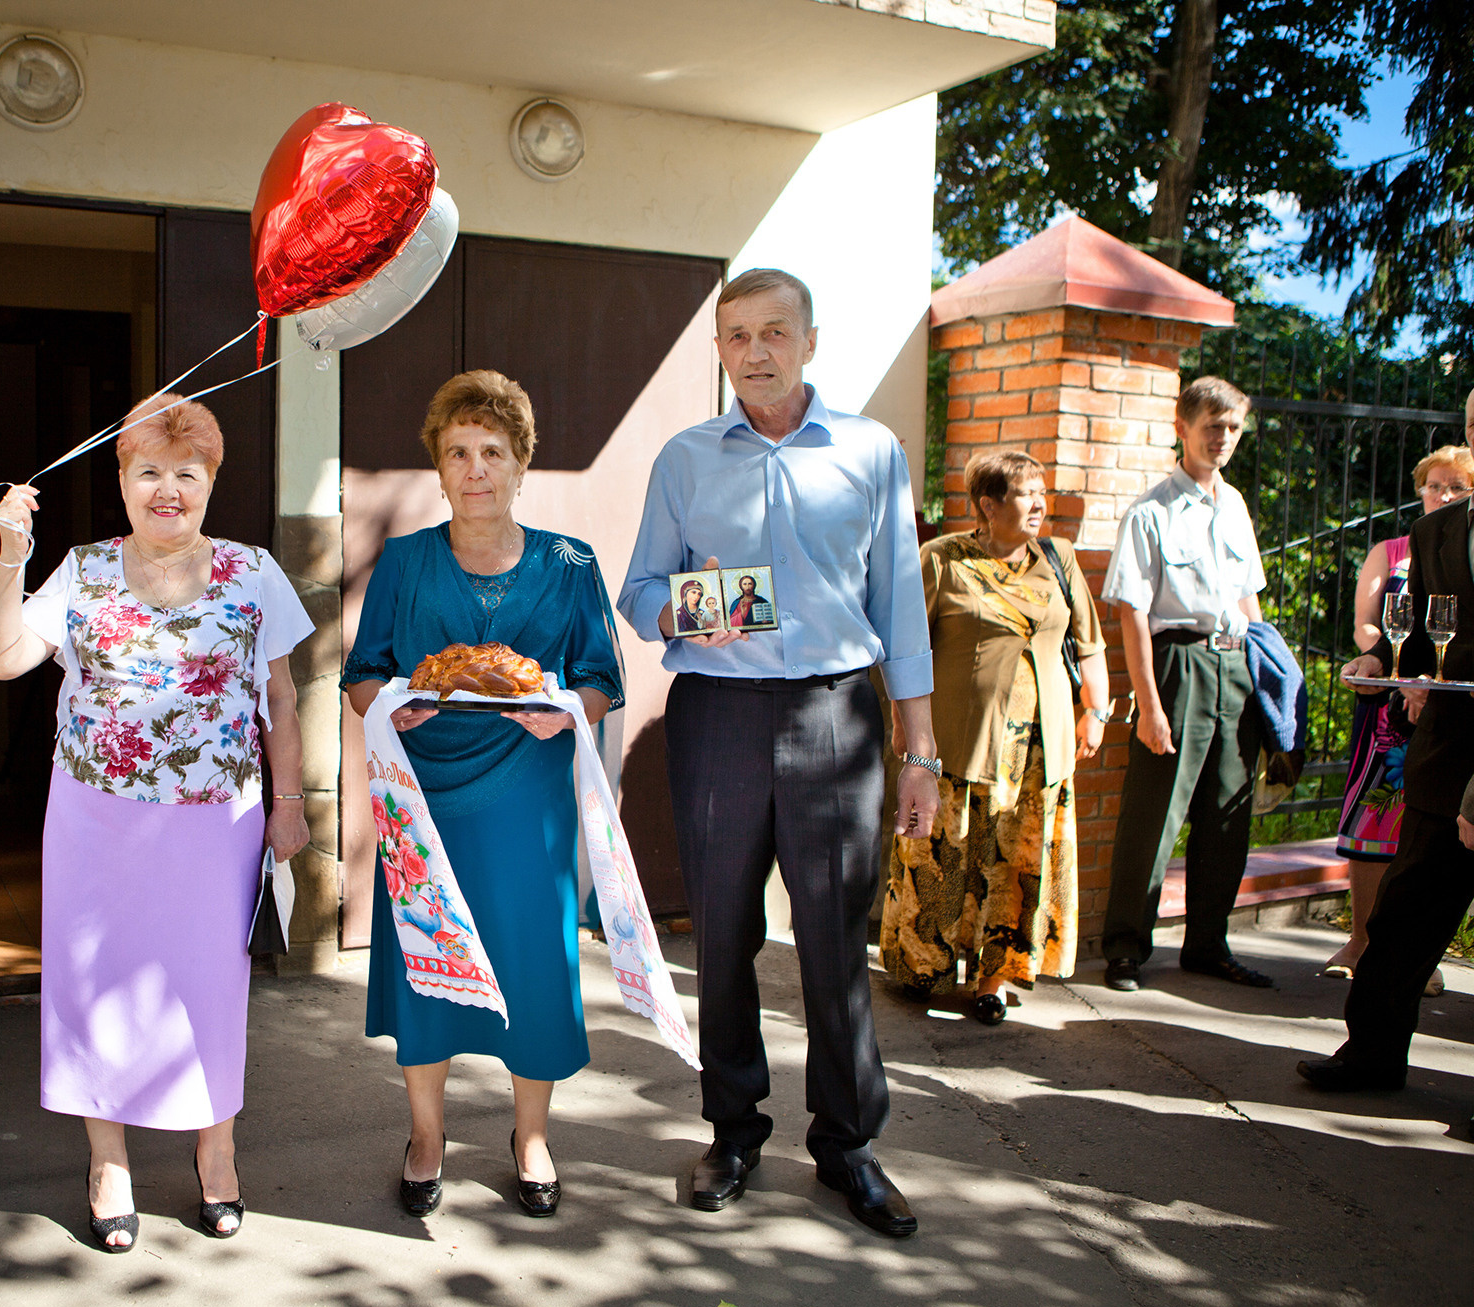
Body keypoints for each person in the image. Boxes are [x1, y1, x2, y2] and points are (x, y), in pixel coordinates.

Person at [618, 268, 937, 1239]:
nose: (752, 351)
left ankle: (847, 1145)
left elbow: (901, 612)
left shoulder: (870, 451)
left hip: (837, 718)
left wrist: (918, 750)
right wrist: (682, 609)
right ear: (717, 349)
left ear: (807, 340)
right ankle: (731, 1131)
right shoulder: (683, 458)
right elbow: (638, 594)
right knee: (718, 935)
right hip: (715, 715)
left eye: (771, 332)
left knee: (837, 945)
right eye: (733, 336)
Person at [0, 392, 313, 1248]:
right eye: (150, 471)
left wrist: (287, 802)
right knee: (96, 986)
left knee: (210, 988)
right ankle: (109, 1161)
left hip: (215, 824)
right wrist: (13, 557)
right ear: (122, 479)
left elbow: (279, 694)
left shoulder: (252, 571)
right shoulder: (84, 569)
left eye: (187, 473)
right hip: (97, 823)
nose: (169, 489)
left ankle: (217, 1152)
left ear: (211, 482)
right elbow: (0, 658)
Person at [342, 370, 624, 1221]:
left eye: (492, 451)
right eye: (458, 452)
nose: (475, 468)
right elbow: (362, 674)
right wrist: (397, 705)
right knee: (428, 964)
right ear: (439, 466)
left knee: (533, 963)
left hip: (528, 796)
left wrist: (569, 710)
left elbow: (602, 675)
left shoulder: (572, 565)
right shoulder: (405, 560)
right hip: (426, 800)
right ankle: (426, 1134)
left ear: (520, 464)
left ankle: (530, 1134)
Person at [880, 451, 1110, 1024]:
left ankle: (997, 976)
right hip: (955, 745)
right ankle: (921, 963)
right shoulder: (943, 560)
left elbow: (1090, 644)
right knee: (934, 854)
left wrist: (1096, 713)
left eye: (1041, 493)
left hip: (1038, 752)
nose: (1039, 505)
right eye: (1025, 494)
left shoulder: (1057, 559)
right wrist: (907, 729)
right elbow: (903, 647)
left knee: (1017, 862)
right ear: (988, 504)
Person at [1300, 388, 1474, 1096]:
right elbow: (1423, 646)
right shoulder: (1439, 532)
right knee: (1403, 917)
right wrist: (1384, 664)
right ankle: (1370, 1054)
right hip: (1444, 752)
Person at [1098, 376, 1273, 992]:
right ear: (1182, 428)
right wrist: (1148, 705)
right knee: (1155, 815)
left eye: (1232, 429)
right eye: (1211, 428)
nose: (1223, 439)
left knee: (1230, 813)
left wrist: (1268, 681)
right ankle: (1124, 946)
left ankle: (1208, 942)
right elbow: (1132, 613)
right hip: (1178, 667)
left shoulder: (1237, 506)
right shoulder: (1151, 512)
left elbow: (1250, 599)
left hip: (1237, 667)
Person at [1324, 443, 1473, 990]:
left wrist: (1431, 681)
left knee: (1431, 841)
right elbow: (1374, 627)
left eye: (1457, 486)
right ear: (1420, 489)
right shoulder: (1395, 547)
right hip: (1393, 707)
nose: (1445, 494)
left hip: (1450, 715)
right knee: (1377, 821)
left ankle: (1416, 959)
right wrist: (1385, 665)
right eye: (1436, 485)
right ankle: (1364, 941)